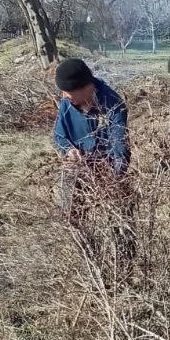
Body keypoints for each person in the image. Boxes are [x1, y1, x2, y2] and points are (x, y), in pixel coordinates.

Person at [53, 58, 132, 263]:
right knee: (70, 212)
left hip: (107, 168)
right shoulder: (67, 102)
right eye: (64, 94)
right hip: (76, 167)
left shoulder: (113, 105)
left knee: (120, 215)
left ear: (86, 87)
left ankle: (124, 259)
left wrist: (114, 180)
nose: (65, 98)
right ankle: (86, 254)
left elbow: (119, 149)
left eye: (69, 94)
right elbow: (60, 135)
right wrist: (68, 150)